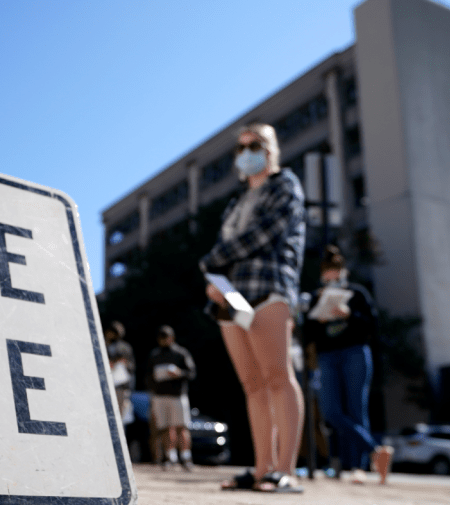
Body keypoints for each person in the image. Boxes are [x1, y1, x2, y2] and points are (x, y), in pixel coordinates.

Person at [200, 123, 306, 493]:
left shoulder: (285, 186)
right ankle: (262, 469)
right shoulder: (235, 202)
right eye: (241, 147)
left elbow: (263, 235)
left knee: (278, 376)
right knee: (252, 384)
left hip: (268, 290)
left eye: (255, 145)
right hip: (231, 299)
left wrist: (212, 261)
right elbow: (227, 252)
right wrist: (214, 280)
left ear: (272, 149)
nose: (247, 152)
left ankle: (285, 470)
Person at [303, 245, 392, 484]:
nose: (332, 276)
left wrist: (348, 314)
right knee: (331, 411)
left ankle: (358, 467)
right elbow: (307, 334)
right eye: (327, 272)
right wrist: (317, 319)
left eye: (336, 272)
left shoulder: (358, 293)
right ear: (323, 274)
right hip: (327, 356)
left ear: (343, 272)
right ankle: (376, 450)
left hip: (355, 352)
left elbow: (373, 325)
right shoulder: (316, 297)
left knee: (356, 409)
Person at [145, 325, 196, 470]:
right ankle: (169, 456)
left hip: (177, 396)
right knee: (165, 428)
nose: (163, 341)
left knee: (181, 427)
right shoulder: (154, 355)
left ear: (171, 338)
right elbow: (148, 375)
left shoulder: (181, 353)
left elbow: (191, 373)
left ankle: (186, 457)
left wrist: (179, 373)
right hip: (160, 396)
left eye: (165, 337)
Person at [104, 321, 135, 425]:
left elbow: (132, 366)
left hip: (121, 386)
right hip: (105, 386)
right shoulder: (101, 344)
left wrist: (123, 363)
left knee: (120, 418)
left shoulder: (125, 347)